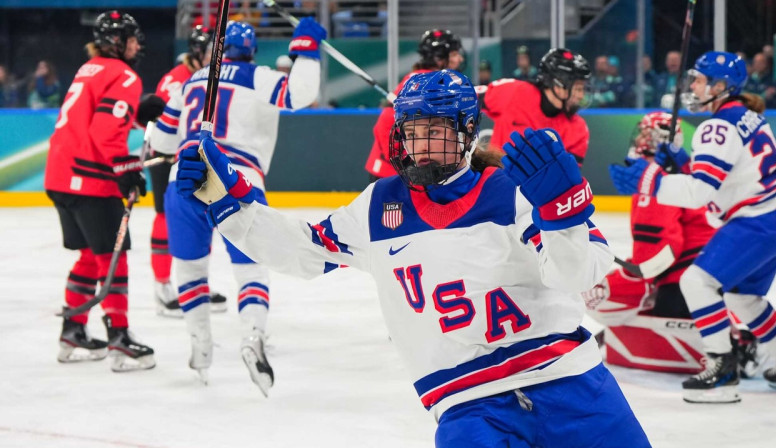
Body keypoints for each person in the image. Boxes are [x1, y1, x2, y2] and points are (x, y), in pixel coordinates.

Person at [175, 68, 650, 447]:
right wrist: (228, 199)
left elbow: (576, 275)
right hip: (468, 404)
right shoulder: (380, 206)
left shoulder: (514, 192)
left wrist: (562, 217)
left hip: (571, 382)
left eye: (435, 131)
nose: (419, 145)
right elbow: (301, 249)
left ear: (467, 132)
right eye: (412, 132)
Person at [611, 51, 776, 401]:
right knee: (744, 297)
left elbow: (700, 193)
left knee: (695, 281)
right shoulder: (746, 116)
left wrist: (650, 180)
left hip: (757, 220)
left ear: (720, 86)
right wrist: (681, 161)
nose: (692, 86)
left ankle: (722, 369)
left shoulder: (717, 126)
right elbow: (727, 174)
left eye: (698, 80)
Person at [149, 19, 324, 394]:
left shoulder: (191, 80)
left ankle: (200, 346)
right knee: (251, 268)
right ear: (251, 51)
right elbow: (301, 93)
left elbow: (162, 142)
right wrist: (306, 49)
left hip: (184, 175)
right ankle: (253, 337)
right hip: (235, 178)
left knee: (191, 268)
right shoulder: (258, 75)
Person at [589, 112, 762, 376]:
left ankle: (729, 344)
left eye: (648, 135)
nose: (640, 141)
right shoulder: (691, 171)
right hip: (721, 272)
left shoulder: (655, 181)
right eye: (641, 134)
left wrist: (617, 282)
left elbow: (658, 255)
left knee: (602, 296)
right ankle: (735, 327)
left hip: (686, 282)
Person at [44, 11, 154, 372]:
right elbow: (105, 132)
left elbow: (94, 115)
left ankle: (72, 331)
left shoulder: (89, 68)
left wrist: (138, 114)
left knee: (93, 255)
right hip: (89, 178)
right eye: (132, 39)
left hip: (60, 176)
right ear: (117, 42)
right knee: (113, 254)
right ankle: (119, 338)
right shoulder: (124, 74)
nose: (138, 45)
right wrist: (127, 172)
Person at [134, 25, 227, 318]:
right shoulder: (176, 80)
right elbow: (159, 125)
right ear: (198, 53)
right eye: (211, 53)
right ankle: (162, 289)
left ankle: (197, 283)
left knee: (203, 217)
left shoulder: (210, 77)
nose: (216, 58)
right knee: (164, 219)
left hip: (193, 159)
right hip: (166, 157)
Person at [364, 28, 463, 180]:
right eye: (455, 54)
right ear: (438, 59)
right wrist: (406, 164)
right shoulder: (421, 82)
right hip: (390, 175)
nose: (460, 59)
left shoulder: (431, 79)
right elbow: (385, 123)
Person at [481, 48, 592, 167]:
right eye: (578, 89)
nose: (581, 96)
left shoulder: (578, 130)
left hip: (537, 185)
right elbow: (467, 97)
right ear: (558, 84)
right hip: (495, 181)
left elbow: (566, 180)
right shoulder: (514, 92)